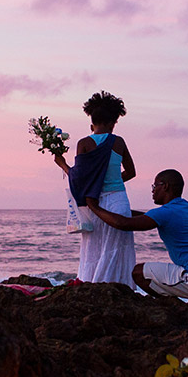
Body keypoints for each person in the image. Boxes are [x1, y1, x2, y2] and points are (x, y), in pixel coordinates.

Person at [87, 169, 188, 299]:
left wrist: (94, 207)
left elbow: (123, 224)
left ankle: (170, 305)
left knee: (138, 272)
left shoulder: (165, 213)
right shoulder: (186, 207)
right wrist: (113, 210)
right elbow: (147, 217)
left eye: (155, 186)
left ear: (165, 186)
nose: (153, 191)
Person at [53, 91, 137, 287]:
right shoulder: (119, 141)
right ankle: (122, 290)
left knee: (94, 249)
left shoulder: (84, 143)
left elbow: (79, 179)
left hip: (95, 202)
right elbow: (131, 172)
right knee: (118, 248)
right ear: (113, 123)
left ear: (91, 124)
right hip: (118, 201)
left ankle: (93, 288)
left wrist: (62, 164)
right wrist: (114, 181)